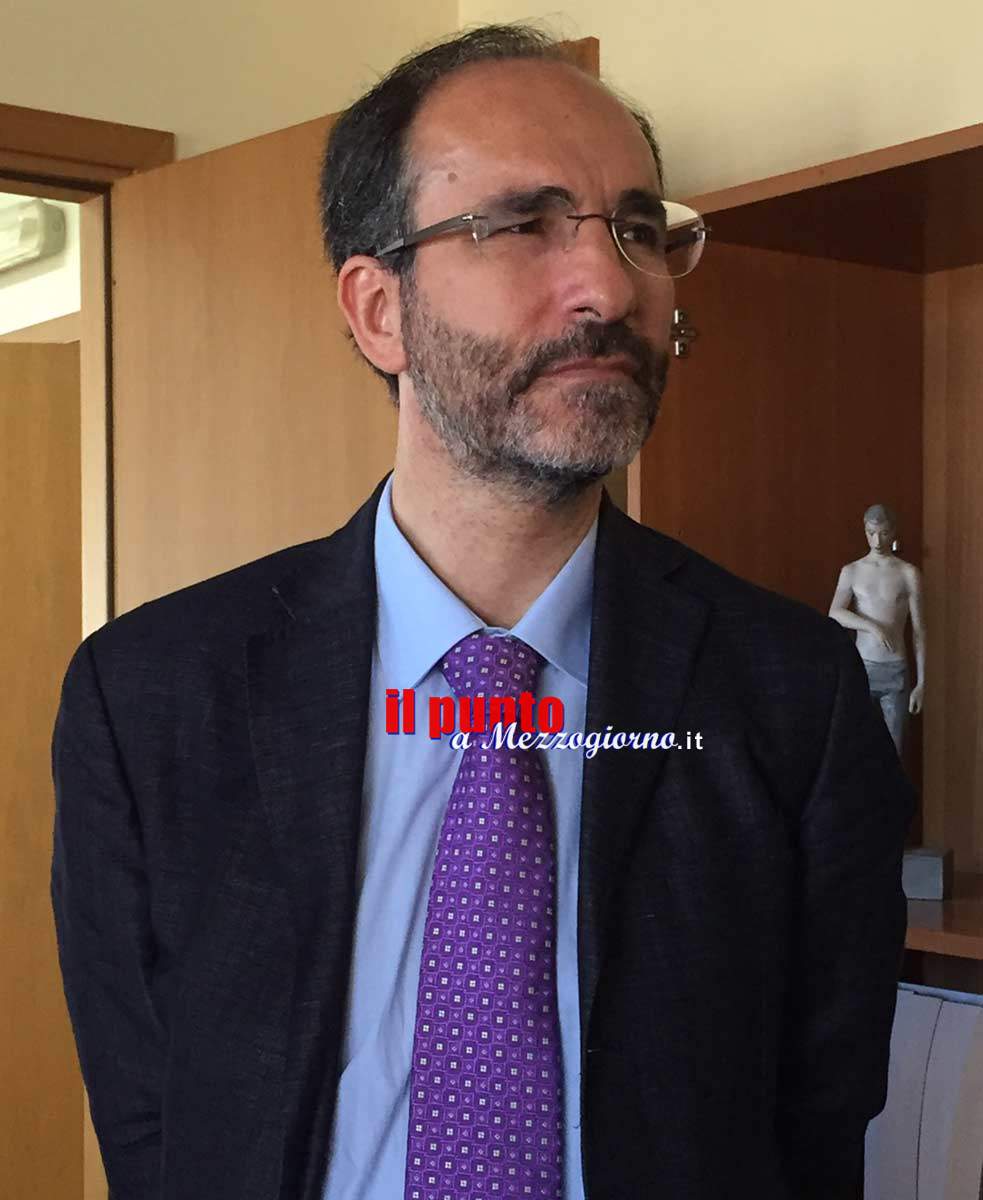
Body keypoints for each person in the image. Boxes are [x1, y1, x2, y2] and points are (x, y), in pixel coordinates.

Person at [50, 23, 915, 1200]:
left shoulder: (794, 697)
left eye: (637, 229)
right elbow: (153, 1124)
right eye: (519, 224)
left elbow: (813, 1129)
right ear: (378, 310)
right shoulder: (150, 698)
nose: (609, 284)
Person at [828, 503, 925, 755]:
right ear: (865, 531)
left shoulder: (908, 573)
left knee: (894, 752)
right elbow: (835, 613)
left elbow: (919, 631)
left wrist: (922, 683)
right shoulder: (852, 571)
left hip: (896, 670)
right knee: (858, 749)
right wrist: (872, 626)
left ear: (893, 531)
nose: (877, 540)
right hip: (863, 667)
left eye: (883, 533)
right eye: (871, 533)